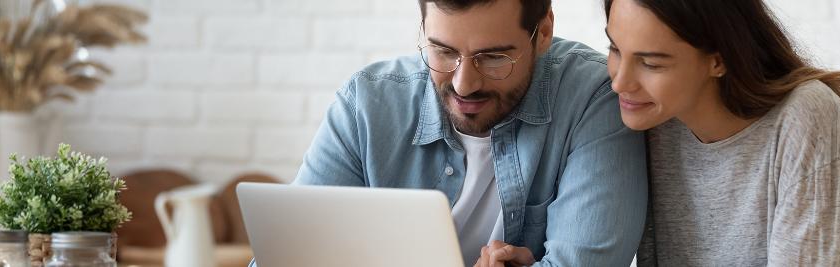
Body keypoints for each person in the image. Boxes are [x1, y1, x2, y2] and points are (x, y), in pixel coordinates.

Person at [250, 0, 649, 266]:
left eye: (493, 57)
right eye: (442, 51)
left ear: (543, 31)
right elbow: (286, 258)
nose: (463, 84)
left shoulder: (594, 97)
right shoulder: (367, 106)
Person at [602, 0, 840, 265]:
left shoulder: (805, 118)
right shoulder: (657, 119)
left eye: (651, 63)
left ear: (718, 60)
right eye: (615, 49)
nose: (620, 82)